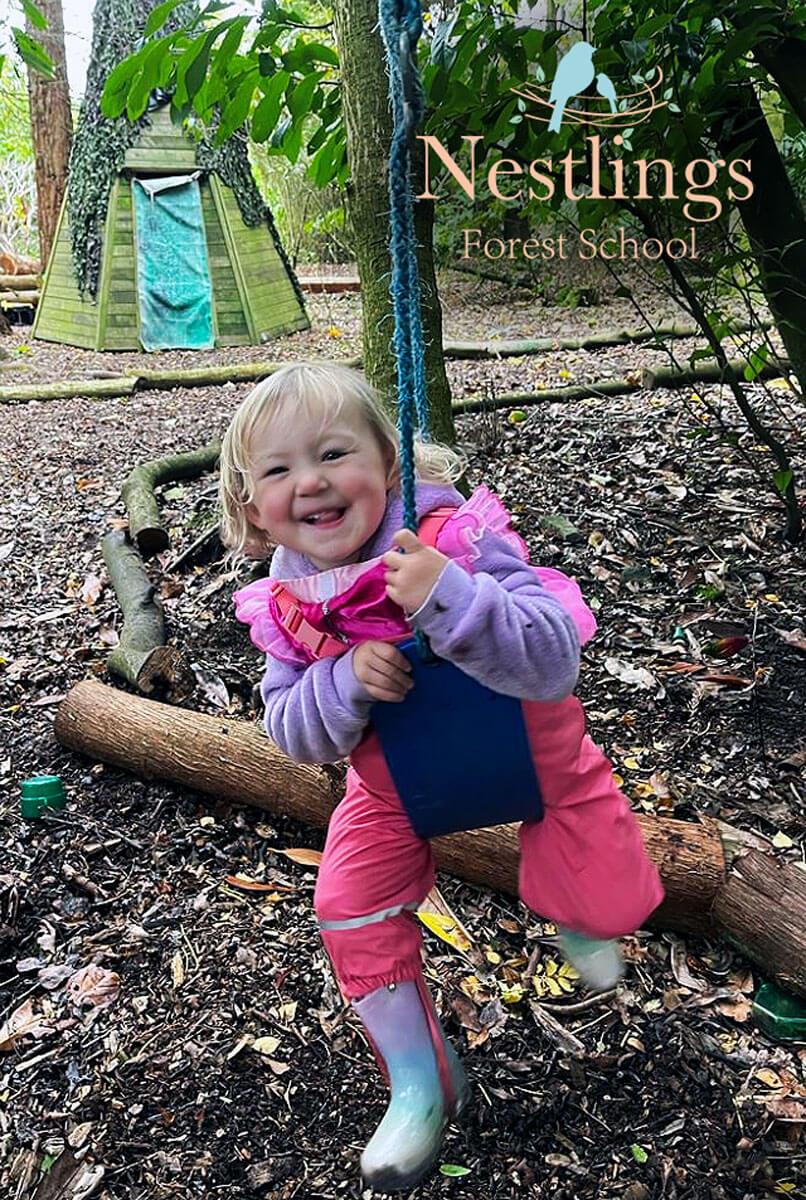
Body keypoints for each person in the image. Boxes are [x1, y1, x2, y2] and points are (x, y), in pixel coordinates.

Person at [219, 362, 664, 1192]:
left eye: (331, 454)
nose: (309, 482)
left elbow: (553, 659)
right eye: (278, 470)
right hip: (397, 790)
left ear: (389, 465)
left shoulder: (458, 537)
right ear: (253, 508)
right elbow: (291, 734)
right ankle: (422, 1081)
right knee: (346, 907)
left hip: (536, 763)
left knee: (606, 905)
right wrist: (343, 681)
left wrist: (449, 597)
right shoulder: (286, 606)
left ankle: (583, 914)